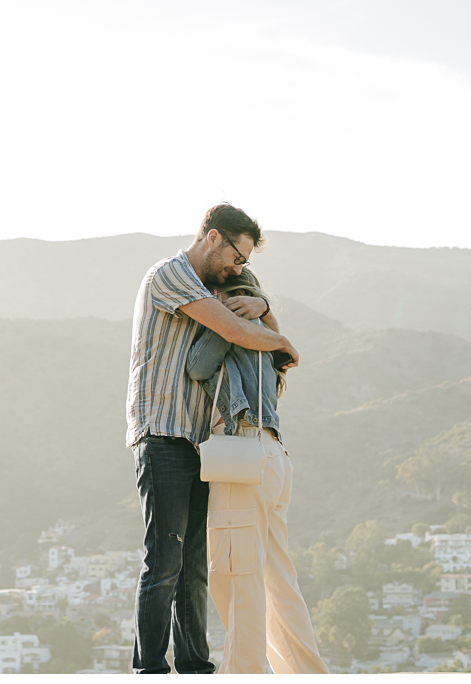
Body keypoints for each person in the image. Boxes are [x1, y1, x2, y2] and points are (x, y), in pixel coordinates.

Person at [126, 203, 299, 675]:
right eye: (236, 256)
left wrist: (262, 305)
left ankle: (195, 665)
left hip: (202, 443)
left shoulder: (214, 285)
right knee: (165, 558)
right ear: (212, 237)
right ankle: (150, 669)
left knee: (195, 563)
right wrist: (283, 344)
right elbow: (233, 330)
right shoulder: (170, 275)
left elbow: (249, 313)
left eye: (243, 263)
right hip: (162, 432)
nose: (237, 267)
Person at [187, 267, 329, 675]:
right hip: (272, 458)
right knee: (278, 579)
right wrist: (263, 309)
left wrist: (223, 318)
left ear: (227, 295)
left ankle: (244, 674)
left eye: (211, 291)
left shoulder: (238, 327)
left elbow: (198, 366)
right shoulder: (265, 338)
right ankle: (306, 674)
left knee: (237, 577)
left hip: (241, 456)